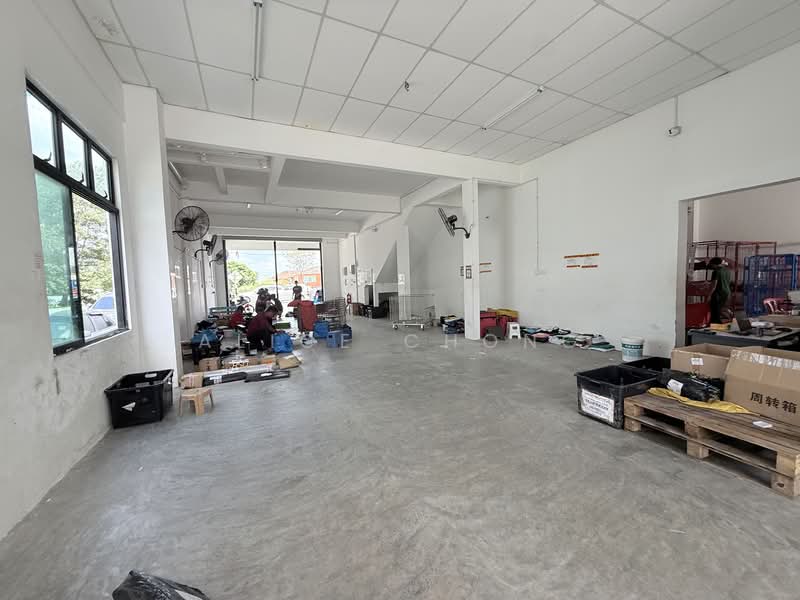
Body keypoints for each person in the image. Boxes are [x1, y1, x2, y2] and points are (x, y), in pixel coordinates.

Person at [709, 257, 731, 323]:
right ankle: (720, 322)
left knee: (715, 312)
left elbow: (714, 286)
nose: (711, 266)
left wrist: (709, 295)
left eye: (712, 265)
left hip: (718, 293)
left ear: (714, 264)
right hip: (726, 292)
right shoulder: (727, 271)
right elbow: (727, 282)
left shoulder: (716, 272)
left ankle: (716, 324)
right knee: (720, 309)